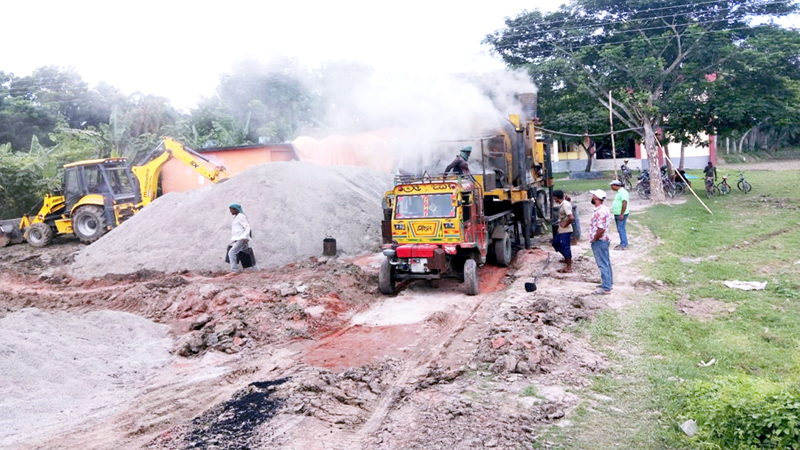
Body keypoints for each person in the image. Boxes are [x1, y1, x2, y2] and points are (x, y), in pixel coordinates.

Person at [588, 189, 613, 295]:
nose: (592, 197)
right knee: (606, 262)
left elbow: (601, 228)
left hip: (600, 240)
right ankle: (608, 283)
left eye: (593, 196)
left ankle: (606, 287)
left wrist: (594, 238)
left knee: (602, 263)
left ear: (596, 198)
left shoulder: (600, 212)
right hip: (604, 239)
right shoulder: (605, 209)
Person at [227, 203, 256, 273]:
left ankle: (234, 270)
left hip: (242, 238)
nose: (230, 211)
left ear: (235, 209)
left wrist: (245, 236)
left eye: (231, 209)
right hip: (240, 238)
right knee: (245, 253)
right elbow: (238, 229)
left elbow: (247, 227)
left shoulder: (241, 217)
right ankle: (254, 268)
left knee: (232, 253)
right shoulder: (237, 217)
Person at [551, 190, 574, 273]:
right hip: (561, 229)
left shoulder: (565, 205)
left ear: (556, 197)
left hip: (565, 230)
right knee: (555, 243)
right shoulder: (564, 203)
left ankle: (569, 266)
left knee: (565, 247)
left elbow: (571, 217)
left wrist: (565, 224)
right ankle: (567, 258)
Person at [609, 180, 629, 250]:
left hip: (621, 214)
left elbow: (624, 203)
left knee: (621, 229)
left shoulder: (622, 192)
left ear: (615, 185)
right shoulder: (618, 192)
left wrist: (622, 214)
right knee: (620, 229)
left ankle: (624, 244)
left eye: (612, 186)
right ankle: (622, 242)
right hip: (617, 213)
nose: (611, 187)